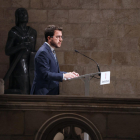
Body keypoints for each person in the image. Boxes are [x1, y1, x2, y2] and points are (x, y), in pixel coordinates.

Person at [30, 25, 79, 95]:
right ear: (49, 38)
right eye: (58, 37)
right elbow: (45, 74)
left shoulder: (50, 50)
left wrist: (68, 74)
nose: (61, 39)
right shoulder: (43, 52)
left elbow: (53, 71)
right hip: (43, 94)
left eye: (61, 37)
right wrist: (64, 76)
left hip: (50, 93)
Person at [5, 8, 37, 94]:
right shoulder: (14, 32)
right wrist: (20, 46)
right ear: (17, 17)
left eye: (25, 13)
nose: (24, 15)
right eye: (21, 14)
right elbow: (7, 51)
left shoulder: (33, 32)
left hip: (31, 62)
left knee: (32, 87)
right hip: (19, 62)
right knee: (24, 87)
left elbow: (33, 49)